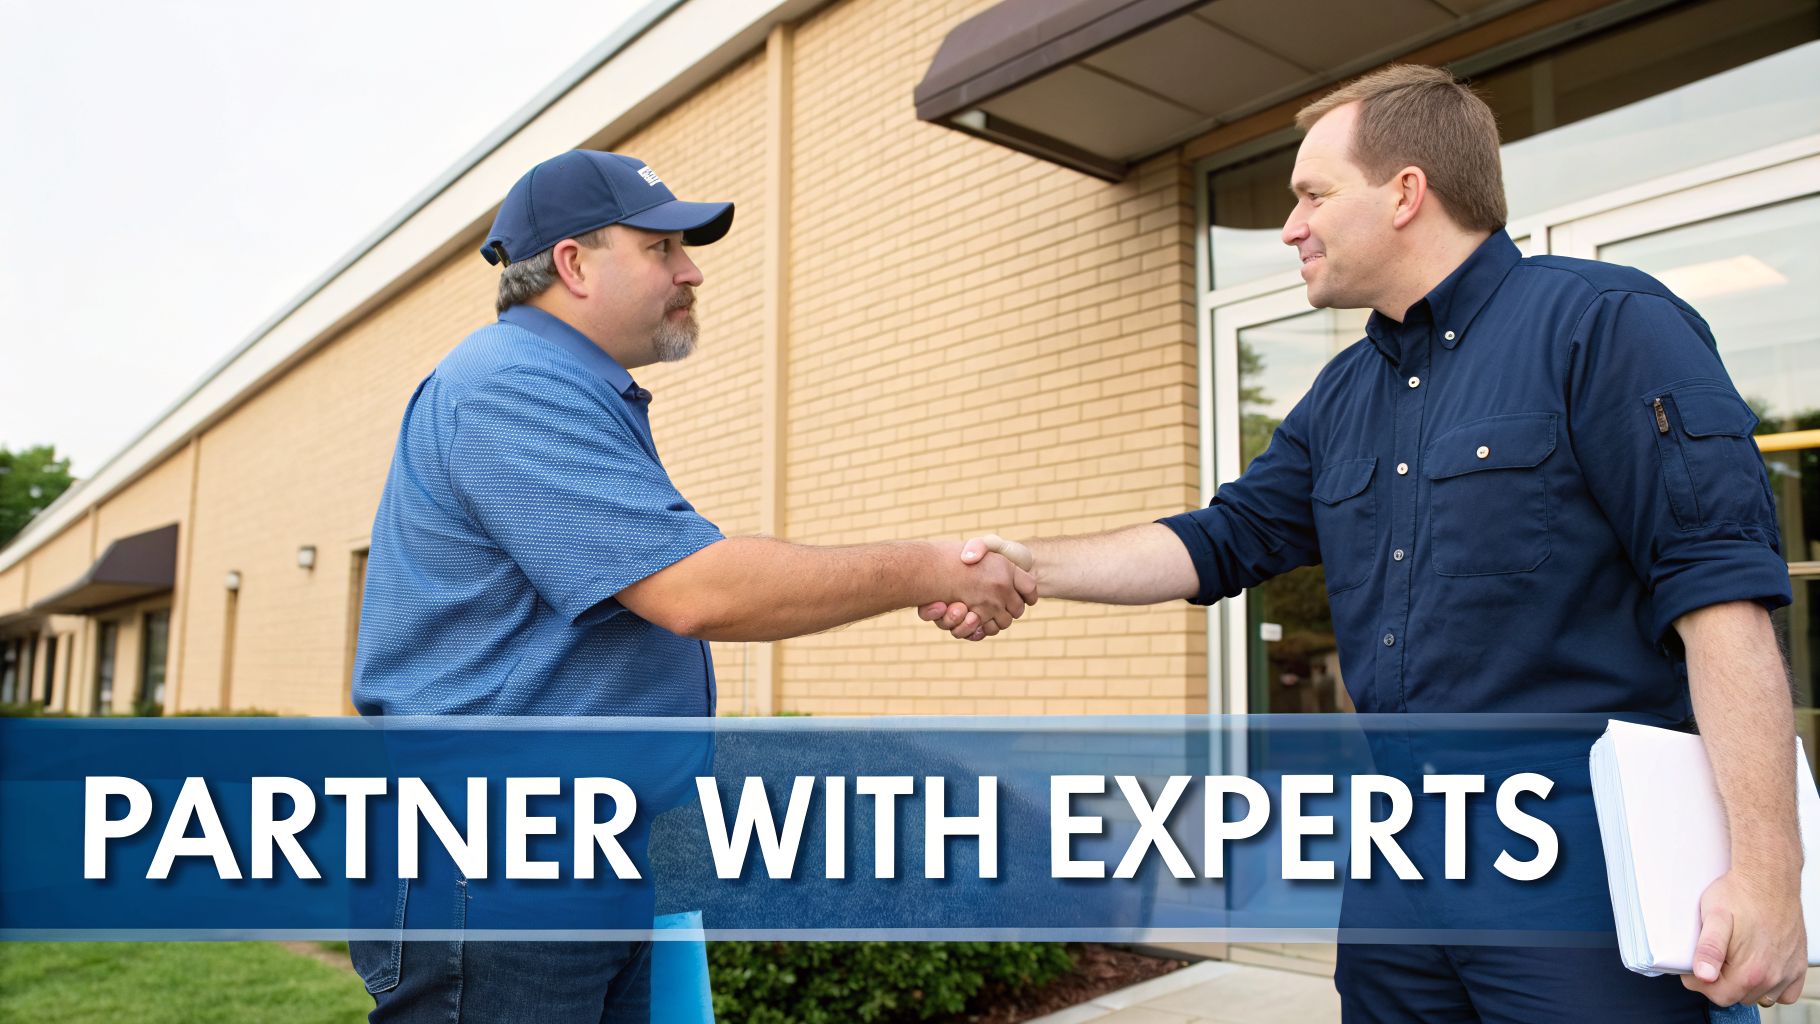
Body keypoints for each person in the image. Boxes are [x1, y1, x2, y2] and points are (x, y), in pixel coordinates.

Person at [920, 65, 1805, 1020]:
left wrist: (1767, 873)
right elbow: (1222, 539)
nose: (1292, 227)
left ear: (1406, 194)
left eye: (1312, 195)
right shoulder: (1343, 397)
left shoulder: (1605, 325)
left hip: (1585, 860)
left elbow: (1720, 599)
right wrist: (1031, 566)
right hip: (1402, 853)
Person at [348, 149, 1036, 1022]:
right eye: (661, 248)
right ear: (572, 264)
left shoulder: (567, 387)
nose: (692, 269)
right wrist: (933, 566)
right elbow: (697, 591)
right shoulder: (509, 385)